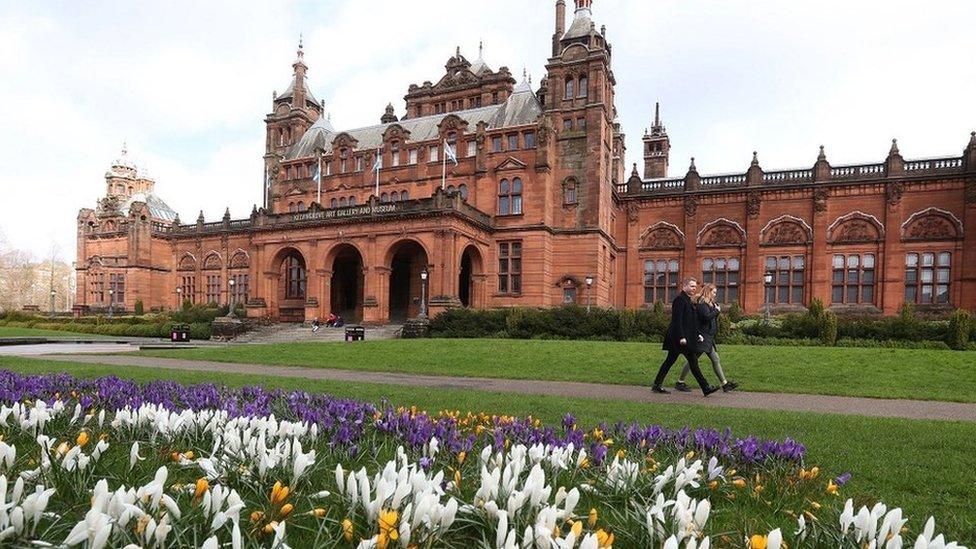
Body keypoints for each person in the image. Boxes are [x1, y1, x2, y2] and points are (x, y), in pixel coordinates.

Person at [652, 277, 720, 396]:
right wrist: (682, 337)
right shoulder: (680, 300)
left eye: (695, 286)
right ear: (684, 286)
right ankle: (705, 387)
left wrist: (697, 334)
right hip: (678, 339)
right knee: (692, 362)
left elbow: (691, 321)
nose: (694, 288)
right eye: (692, 286)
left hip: (684, 338)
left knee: (671, 361)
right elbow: (677, 321)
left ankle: (657, 385)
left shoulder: (688, 300)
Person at [675, 283, 739, 393]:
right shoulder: (702, 303)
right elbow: (706, 317)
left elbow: (712, 318)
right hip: (702, 336)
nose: (715, 295)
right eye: (713, 292)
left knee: (714, 359)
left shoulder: (711, 303)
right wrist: (716, 310)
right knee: (693, 360)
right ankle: (680, 382)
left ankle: (725, 384)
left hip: (708, 336)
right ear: (708, 291)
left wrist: (715, 309)